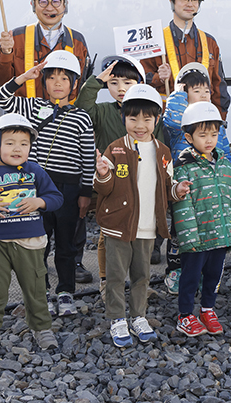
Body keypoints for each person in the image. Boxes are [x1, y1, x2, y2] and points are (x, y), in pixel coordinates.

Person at [0, 51, 96, 317]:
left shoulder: (82, 117)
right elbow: (0, 98)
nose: (58, 83)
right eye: (52, 78)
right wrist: (23, 77)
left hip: (69, 190)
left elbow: (88, 159)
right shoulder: (31, 106)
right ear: (44, 82)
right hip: (36, 189)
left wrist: (86, 193)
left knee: (66, 245)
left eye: (65, 78)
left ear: (74, 83)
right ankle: (41, 291)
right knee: (38, 243)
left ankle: (65, 292)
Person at [94, 84, 189, 347]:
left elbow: (168, 189)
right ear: (123, 118)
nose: (140, 124)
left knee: (142, 275)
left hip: (148, 226)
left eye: (147, 118)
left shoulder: (163, 152)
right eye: (133, 117)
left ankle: (138, 316)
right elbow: (104, 188)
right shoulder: (115, 148)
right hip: (118, 226)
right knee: (114, 275)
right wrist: (102, 174)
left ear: (157, 120)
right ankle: (116, 318)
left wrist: (178, 190)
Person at [0, 114, 64, 355]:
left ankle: (41, 328)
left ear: (31, 146)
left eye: (23, 143)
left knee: (36, 288)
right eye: (9, 143)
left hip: (31, 241)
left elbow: (56, 198)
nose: (17, 148)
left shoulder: (36, 171)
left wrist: (39, 202)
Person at [78, 55, 165, 289]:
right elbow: (82, 107)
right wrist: (96, 81)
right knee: (108, 236)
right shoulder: (104, 111)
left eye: (128, 83)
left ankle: (140, 284)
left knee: (141, 236)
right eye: (114, 82)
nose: (121, 89)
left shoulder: (152, 114)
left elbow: (162, 149)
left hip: (143, 186)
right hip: (112, 187)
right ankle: (107, 281)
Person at [171, 102, 231, 337]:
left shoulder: (225, 162)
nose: (209, 140)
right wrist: (189, 238)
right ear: (188, 136)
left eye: (214, 134)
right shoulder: (184, 166)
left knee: (215, 274)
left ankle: (207, 308)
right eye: (202, 135)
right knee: (191, 276)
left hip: (221, 234)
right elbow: (183, 206)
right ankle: (185, 315)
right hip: (197, 236)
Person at [161, 62, 231, 293]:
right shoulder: (179, 121)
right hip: (183, 186)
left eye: (206, 91)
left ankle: (201, 272)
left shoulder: (216, 121)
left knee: (205, 227)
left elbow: (225, 153)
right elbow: (170, 120)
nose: (203, 95)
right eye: (196, 90)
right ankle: (174, 271)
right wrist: (177, 96)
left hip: (209, 187)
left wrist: (228, 179)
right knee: (180, 230)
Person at [0, 0, 89, 100]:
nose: (49, 8)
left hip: (64, 118)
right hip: (24, 116)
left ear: (65, 4)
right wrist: (6, 52)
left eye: (56, 1)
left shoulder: (77, 41)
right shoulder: (16, 38)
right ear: (33, 4)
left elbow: (82, 85)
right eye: (43, 1)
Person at [142, 0, 230, 117]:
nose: (190, 4)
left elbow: (218, 86)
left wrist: (218, 121)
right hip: (165, 120)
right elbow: (141, 81)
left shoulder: (209, 42)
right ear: (172, 0)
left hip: (202, 123)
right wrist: (159, 77)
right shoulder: (156, 40)